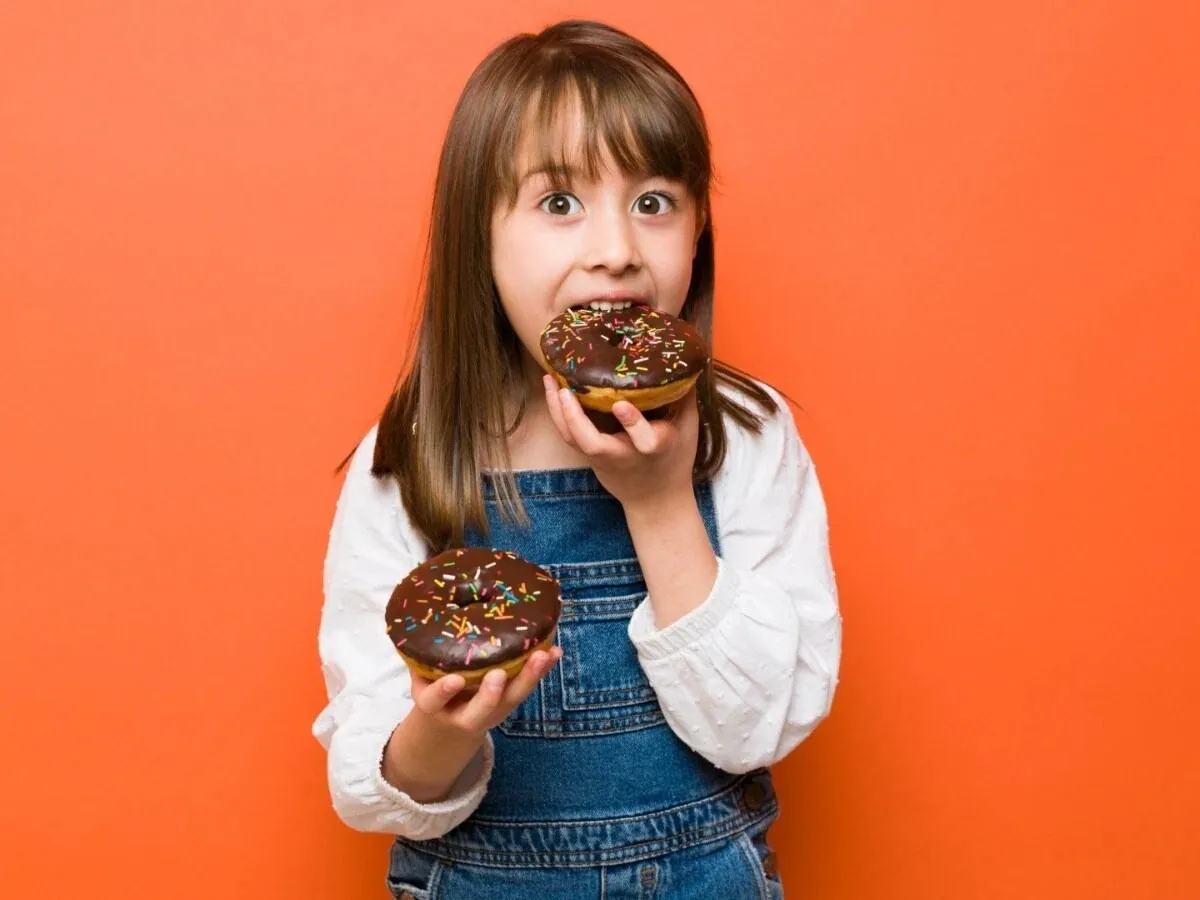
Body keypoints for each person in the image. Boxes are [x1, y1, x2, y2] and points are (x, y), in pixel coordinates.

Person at [313, 19, 842, 898]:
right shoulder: (413, 458)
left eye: (653, 201)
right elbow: (373, 782)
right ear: (478, 238)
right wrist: (441, 733)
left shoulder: (748, 435)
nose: (617, 250)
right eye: (559, 203)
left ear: (698, 229)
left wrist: (662, 501)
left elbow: (757, 729)